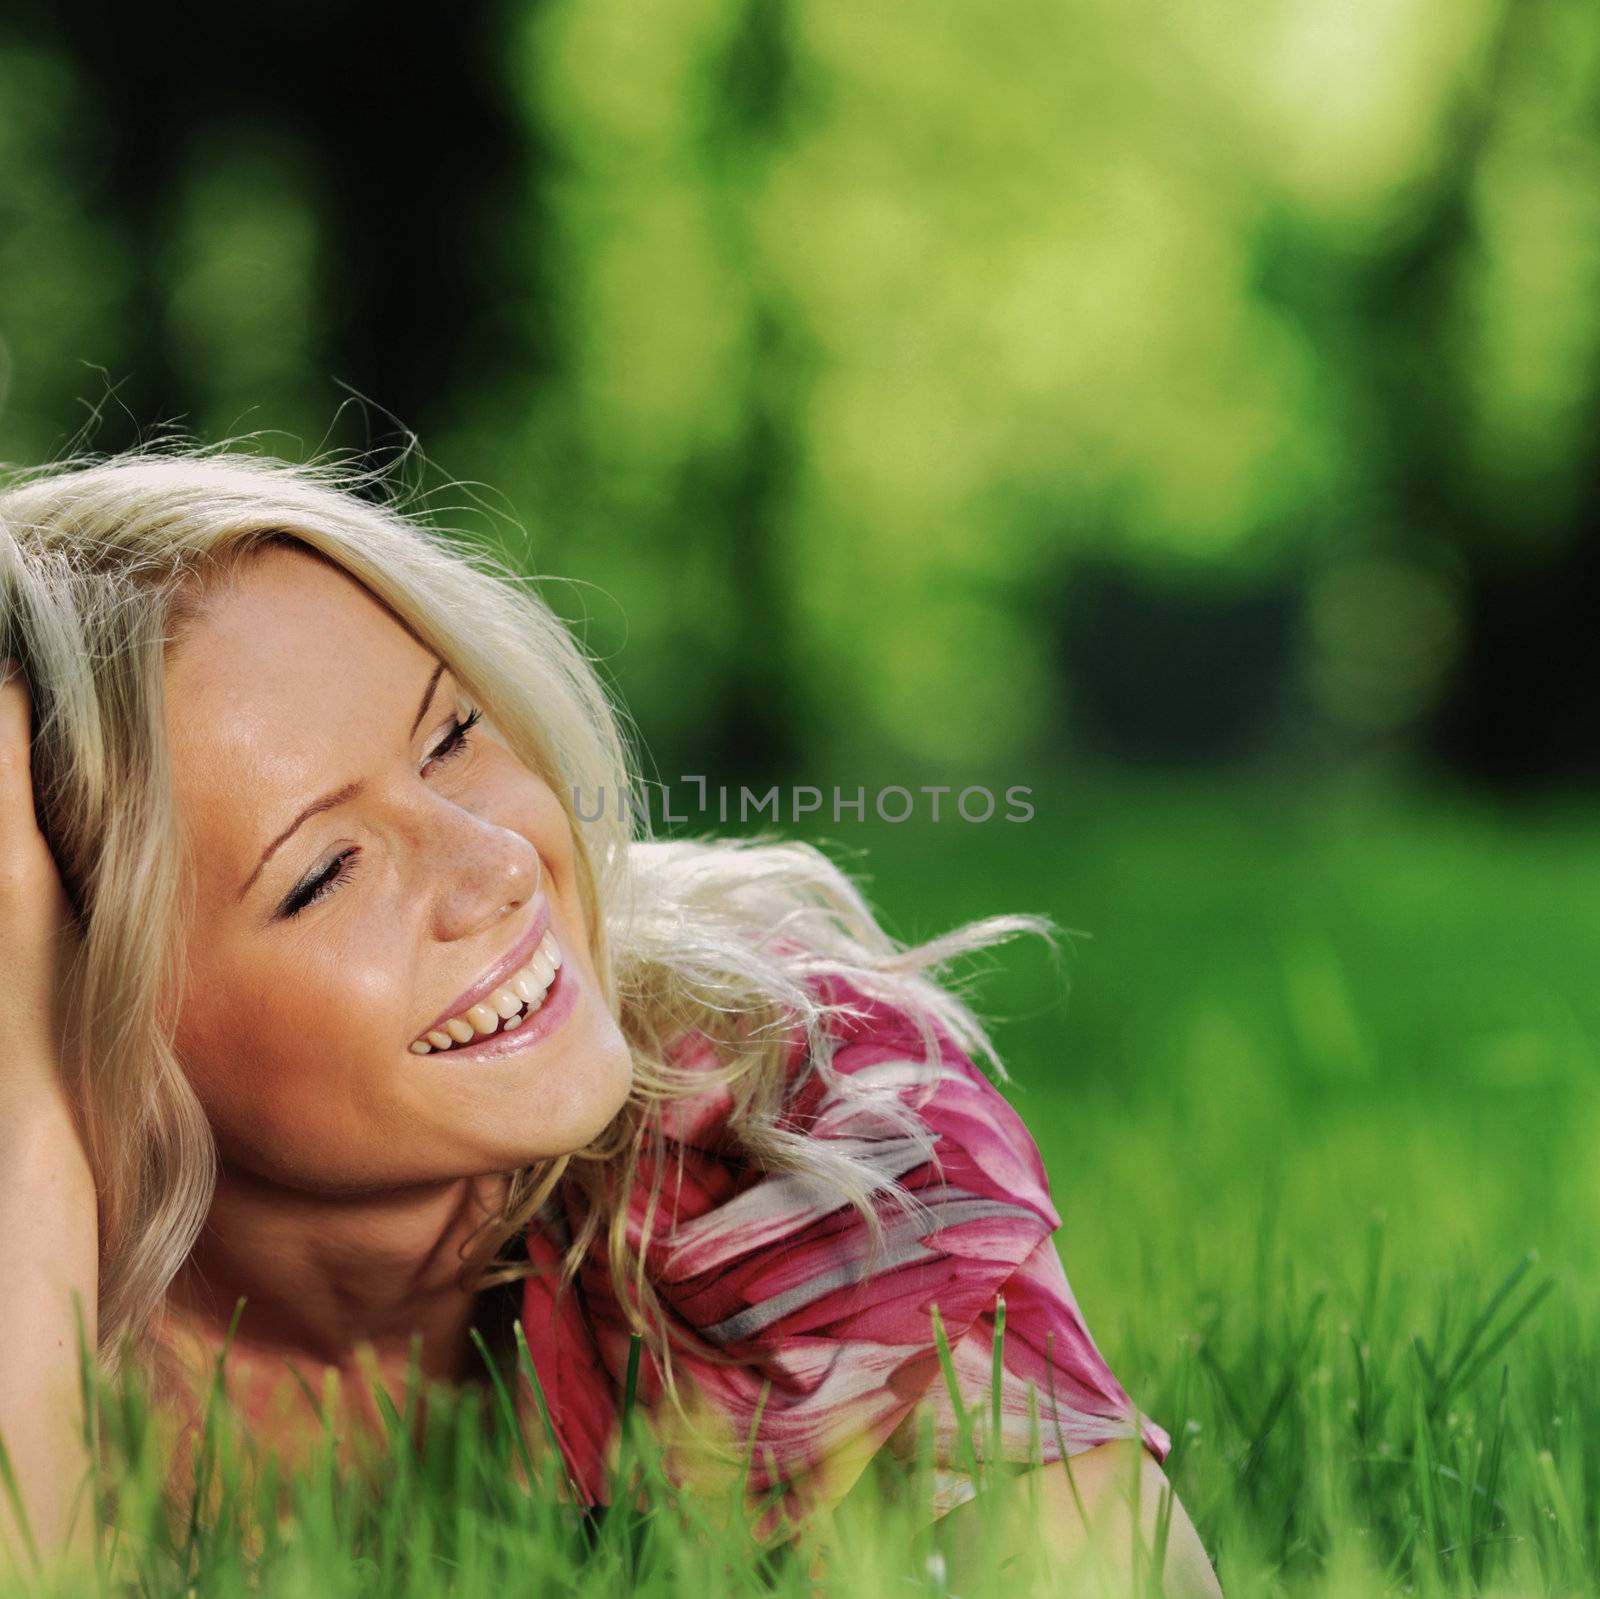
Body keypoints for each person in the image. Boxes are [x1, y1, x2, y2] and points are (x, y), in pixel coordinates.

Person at [0, 449, 1223, 1595]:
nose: (497, 866)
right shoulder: (40, 1243)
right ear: (63, 989)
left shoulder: (795, 1126)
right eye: (325, 872)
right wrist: (34, 1126)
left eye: (453, 737)